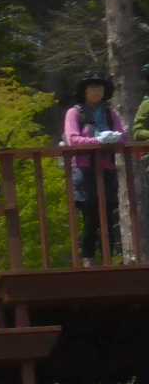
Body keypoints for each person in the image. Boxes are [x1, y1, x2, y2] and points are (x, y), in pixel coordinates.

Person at [65, 75, 130, 264]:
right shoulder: (75, 113)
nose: (97, 91)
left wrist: (113, 138)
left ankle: (109, 259)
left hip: (106, 169)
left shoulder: (110, 113)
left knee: (108, 217)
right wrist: (97, 141)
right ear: (84, 91)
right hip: (85, 171)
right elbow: (72, 139)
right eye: (93, 88)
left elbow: (124, 135)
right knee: (90, 216)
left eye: (100, 88)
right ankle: (88, 259)